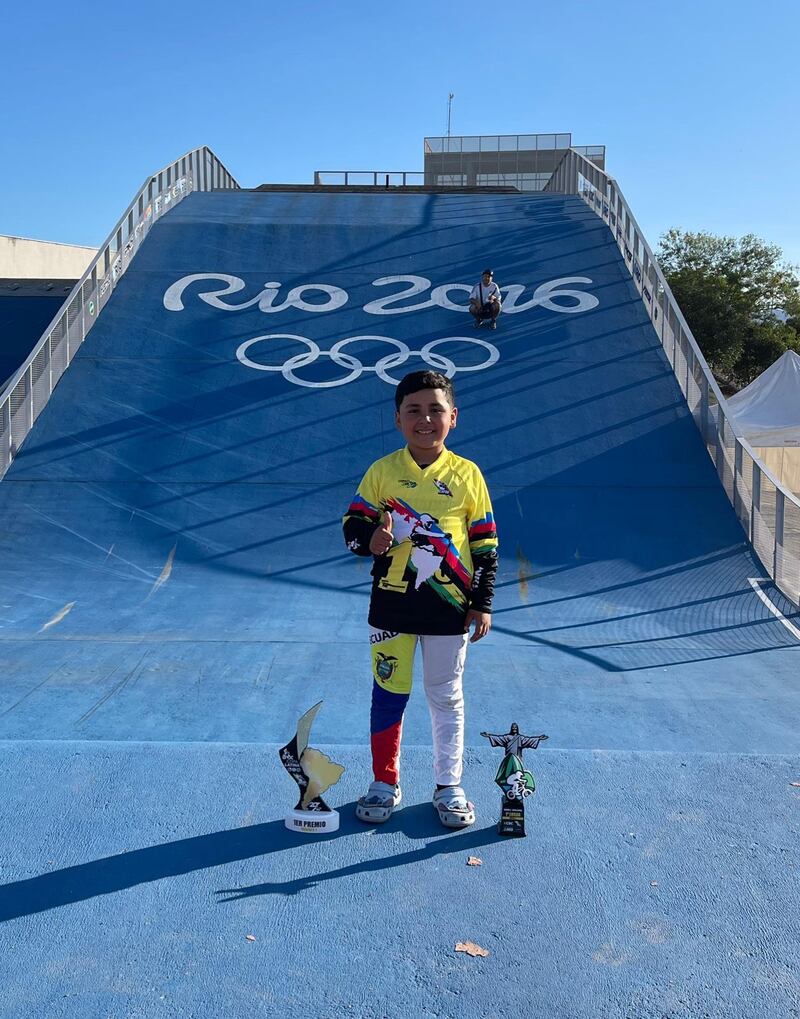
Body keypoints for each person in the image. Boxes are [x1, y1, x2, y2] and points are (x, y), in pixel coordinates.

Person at [342, 370, 499, 828]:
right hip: (390, 609)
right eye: (413, 410)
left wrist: (482, 602)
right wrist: (370, 540)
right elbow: (352, 527)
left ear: (454, 417)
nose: (425, 419)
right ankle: (384, 782)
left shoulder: (468, 474)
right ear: (397, 419)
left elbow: (486, 545)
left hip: (450, 612)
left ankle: (449, 785)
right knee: (388, 695)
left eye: (435, 409)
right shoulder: (382, 471)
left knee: (446, 697)